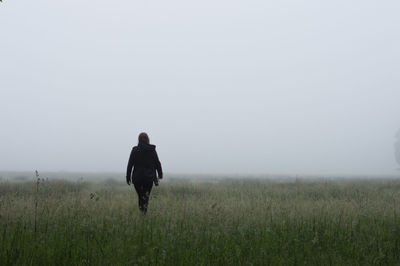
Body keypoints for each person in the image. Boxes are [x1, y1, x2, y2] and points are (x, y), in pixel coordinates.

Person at [126, 132, 163, 214]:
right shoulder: (152, 150)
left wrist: (128, 177)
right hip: (149, 178)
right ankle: (144, 213)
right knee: (146, 196)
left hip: (137, 178)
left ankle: (142, 213)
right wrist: (160, 175)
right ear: (147, 139)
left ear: (139, 140)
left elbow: (130, 164)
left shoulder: (135, 150)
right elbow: (157, 163)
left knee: (140, 196)